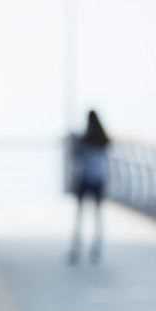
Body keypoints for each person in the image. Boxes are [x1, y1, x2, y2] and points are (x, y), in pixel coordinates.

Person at [68, 110, 111, 265]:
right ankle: (97, 246)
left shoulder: (85, 140)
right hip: (99, 180)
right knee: (97, 215)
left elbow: (76, 158)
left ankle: (76, 246)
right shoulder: (104, 139)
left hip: (86, 180)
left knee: (80, 215)